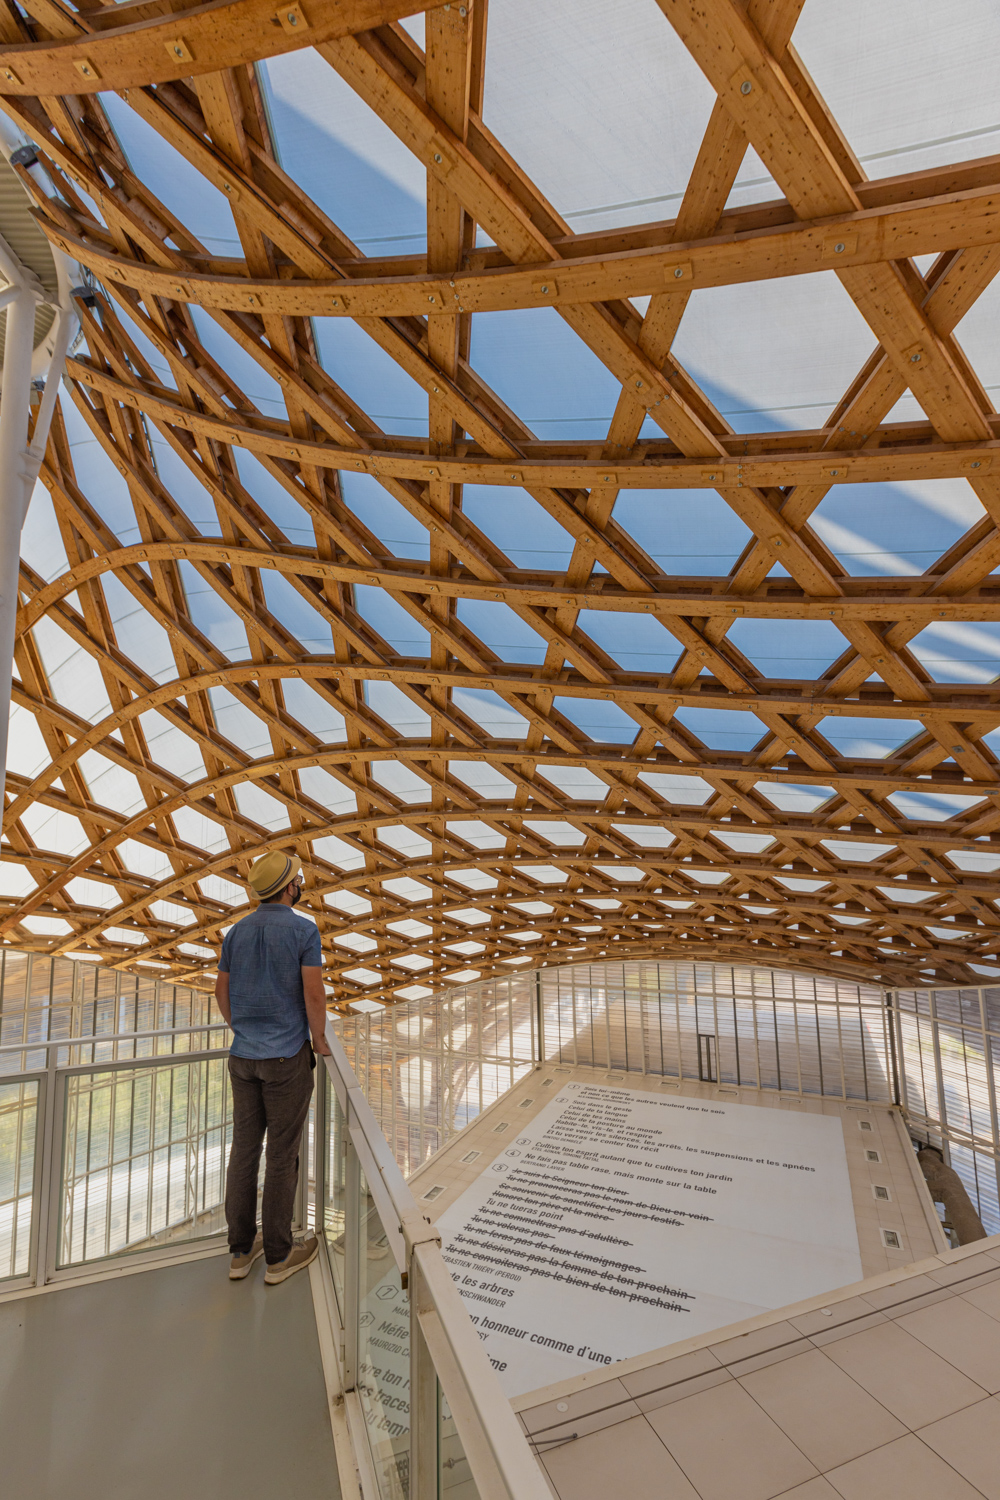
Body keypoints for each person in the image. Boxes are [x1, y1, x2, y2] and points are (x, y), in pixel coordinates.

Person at [215, 851, 332, 1284]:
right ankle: (280, 1257)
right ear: (289, 887)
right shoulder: (303, 930)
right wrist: (318, 1040)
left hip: (242, 1057)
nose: (301, 884)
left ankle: (241, 1251)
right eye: (298, 879)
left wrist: (244, 1029)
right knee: (282, 1155)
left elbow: (221, 992)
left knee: (244, 1151)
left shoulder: (236, 932)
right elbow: (314, 994)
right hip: (286, 1059)